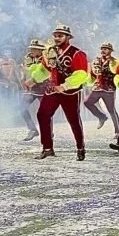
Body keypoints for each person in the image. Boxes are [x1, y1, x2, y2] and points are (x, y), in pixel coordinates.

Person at [35, 24, 90, 161]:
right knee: (42, 114)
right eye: (55, 35)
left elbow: (81, 74)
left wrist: (65, 86)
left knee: (73, 119)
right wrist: (32, 80)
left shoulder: (77, 53)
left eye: (60, 36)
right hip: (53, 90)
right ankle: (47, 148)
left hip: (69, 91)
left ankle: (80, 147)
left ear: (67, 37)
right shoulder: (49, 52)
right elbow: (45, 70)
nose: (57, 38)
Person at [84, 42, 119, 136]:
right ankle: (101, 117)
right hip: (97, 87)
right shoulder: (96, 61)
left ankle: (117, 131)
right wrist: (85, 82)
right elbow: (92, 75)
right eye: (102, 49)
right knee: (87, 102)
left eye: (106, 49)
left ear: (110, 51)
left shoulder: (115, 62)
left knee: (111, 110)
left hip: (109, 89)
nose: (103, 50)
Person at [19, 39, 49, 142]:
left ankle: (49, 132)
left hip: (45, 86)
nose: (31, 50)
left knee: (46, 112)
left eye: (34, 49)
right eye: (31, 48)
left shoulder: (46, 58)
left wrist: (28, 70)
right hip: (32, 87)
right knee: (22, 107)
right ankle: (32, 129)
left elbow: (43, 71)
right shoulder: (28, 57)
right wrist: (23, 79)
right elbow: (24, 70)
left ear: (40, 50)